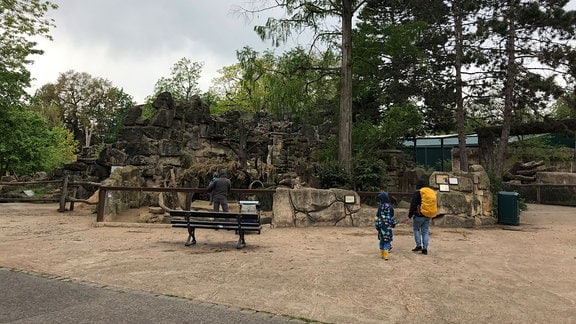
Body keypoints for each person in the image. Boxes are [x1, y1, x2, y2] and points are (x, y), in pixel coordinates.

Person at [408, 179, 431, 255]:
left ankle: (418, 245)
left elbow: (413, 204)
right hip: (428, 215)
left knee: (416, 229)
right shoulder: (429, 193)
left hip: (419, 215)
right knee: (425, 232)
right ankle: (425, 248)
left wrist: (410, 214)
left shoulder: (418, 193)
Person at [375, 192, 397, 260]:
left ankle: (382, 253)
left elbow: (378, 214)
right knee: (387, 240)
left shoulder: (380, 206)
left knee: (381, 239)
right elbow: (392, 214)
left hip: (381, 225)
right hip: (388, 226)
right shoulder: (390, 207)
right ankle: (386, 254)